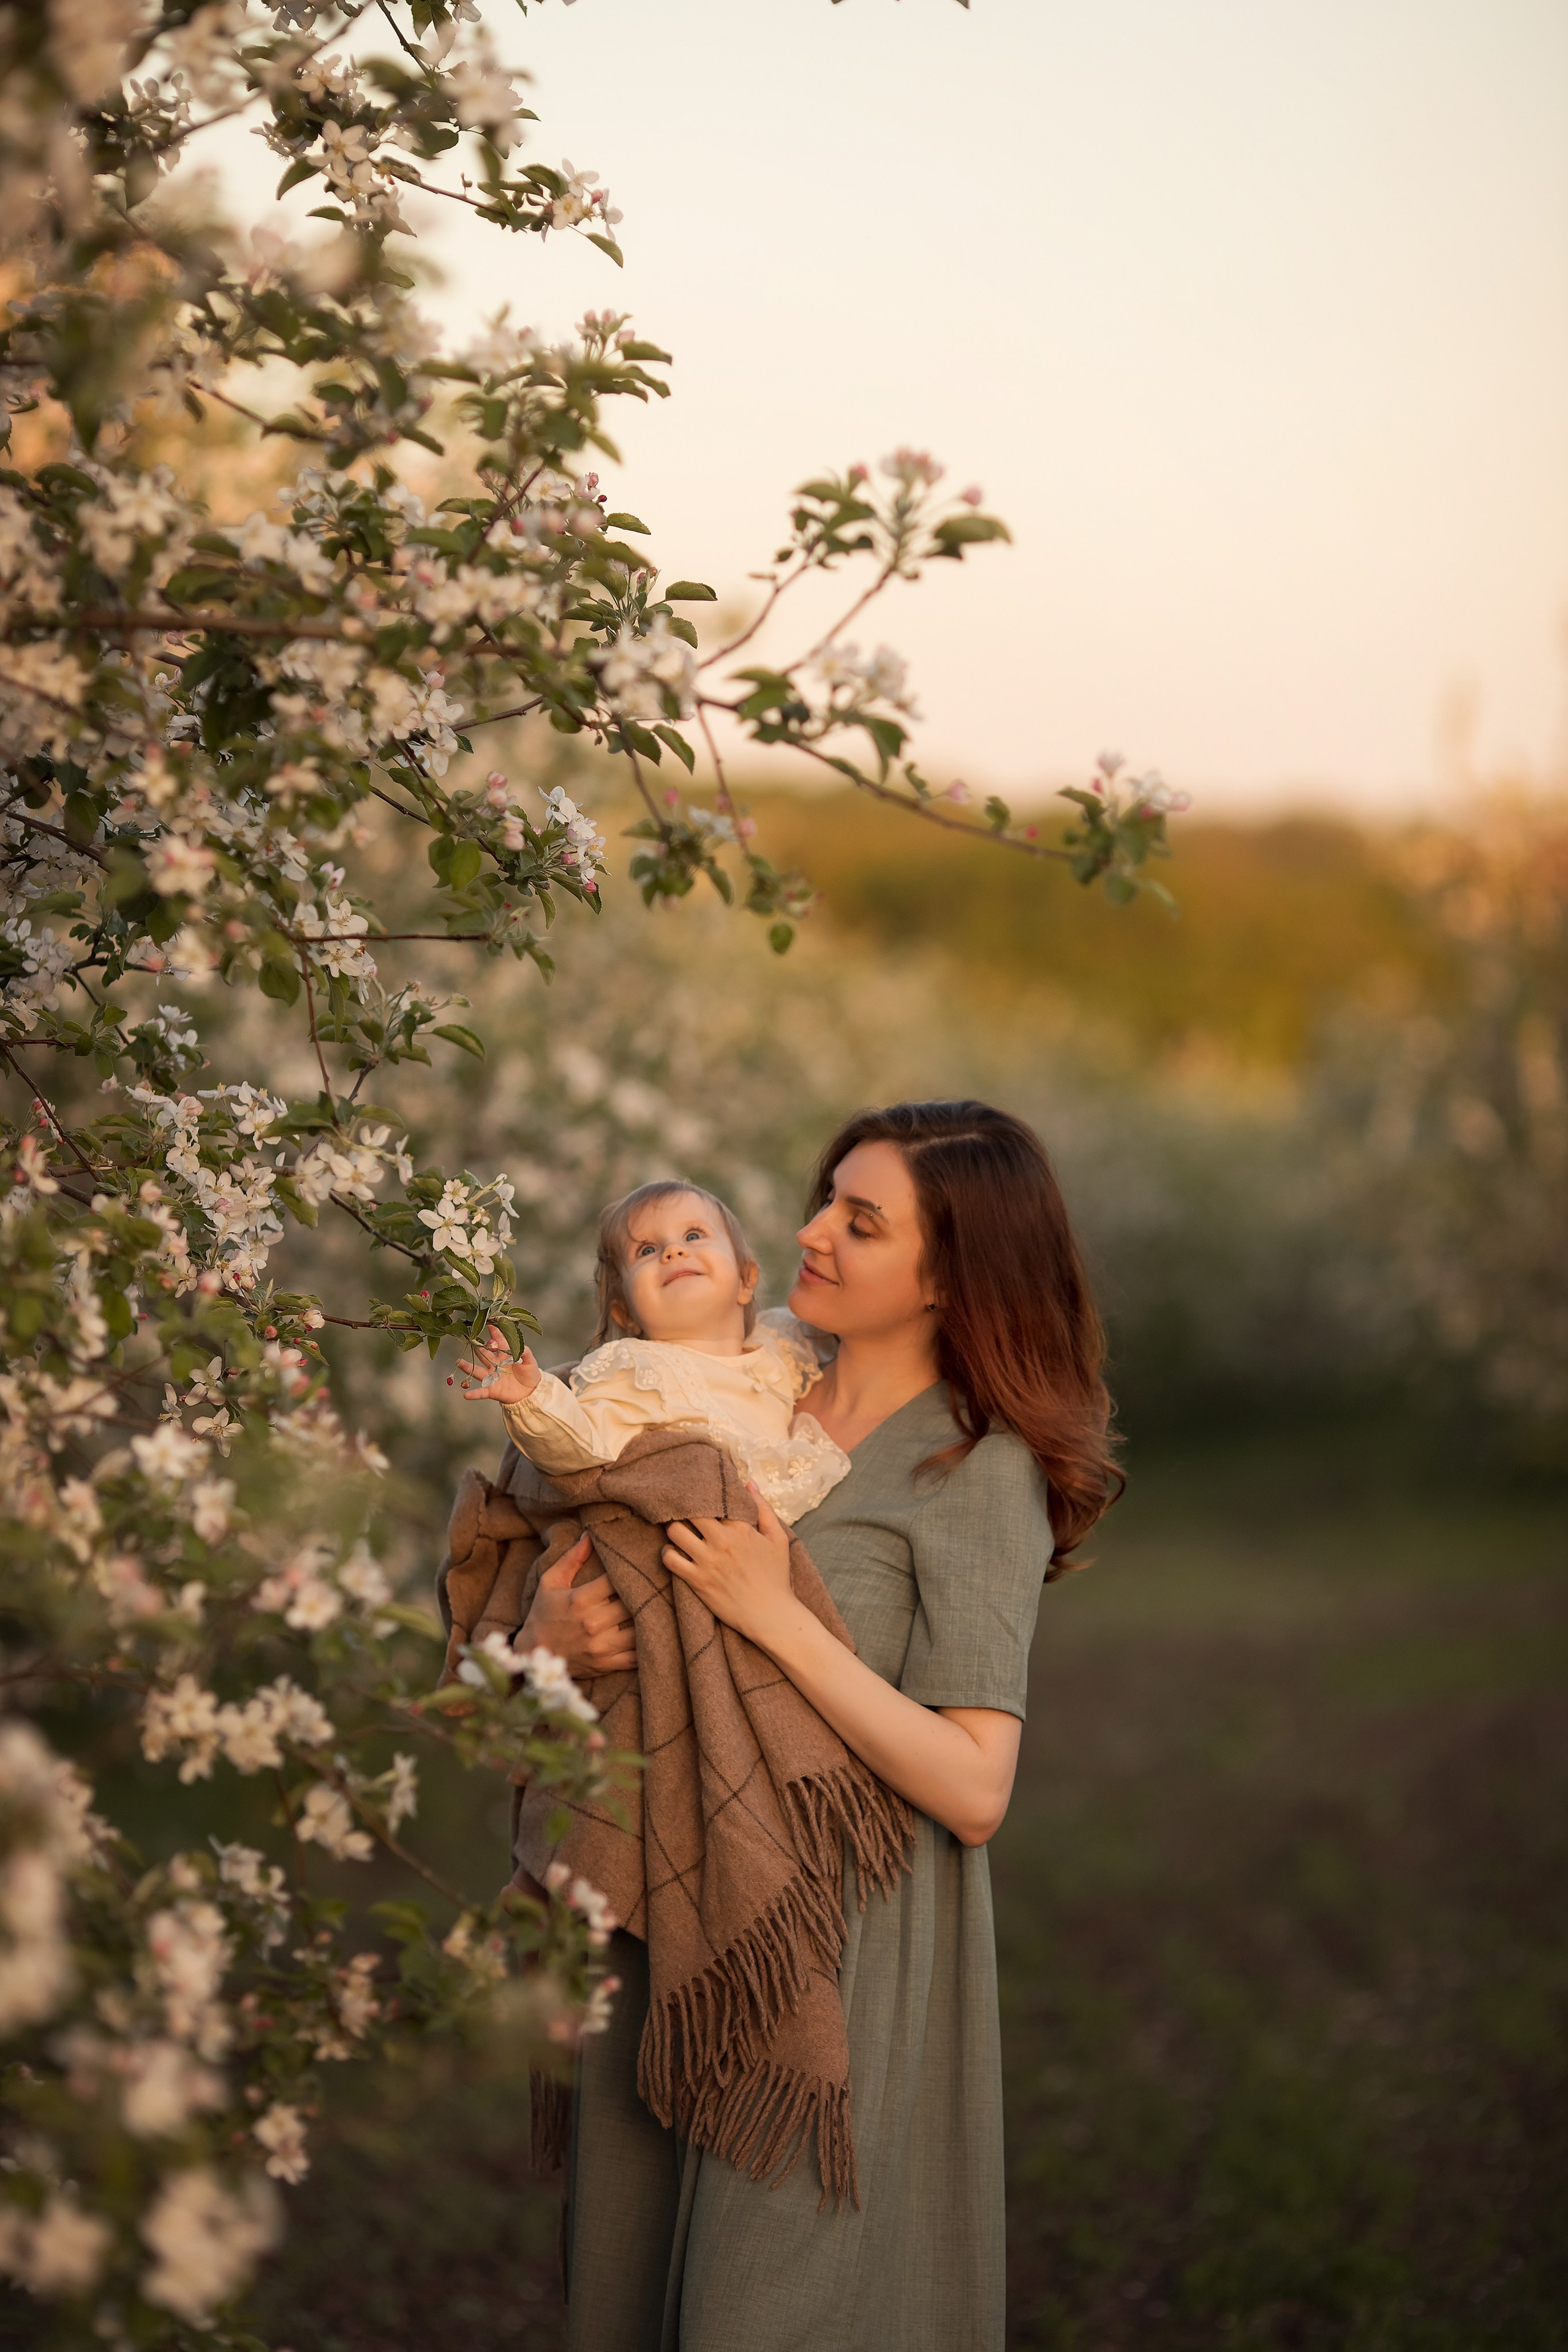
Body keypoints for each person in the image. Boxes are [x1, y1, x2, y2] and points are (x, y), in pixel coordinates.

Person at [502, 1099, 1121, 2352]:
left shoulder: (971, 1466)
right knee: (630, 2302)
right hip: (669, 1914)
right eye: (823, 1199)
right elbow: (570, 1637)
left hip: (833, 1957)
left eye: (860, 1219)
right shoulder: (720, 1398)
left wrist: (775, 1617)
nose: (806, 1232)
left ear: (950, 1270)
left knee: (767, 2310)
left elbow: (974, 1788)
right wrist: (536, 1655)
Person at [455, 1178, 850, 1525]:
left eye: (694, 1236)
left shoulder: (780, 1342)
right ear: (626, 1314)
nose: (673, 1252)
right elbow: (581, 1445)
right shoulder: (637, 1370)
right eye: (646, 1250)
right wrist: (531, 1398)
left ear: (746, 1279)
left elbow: (849, 1324)